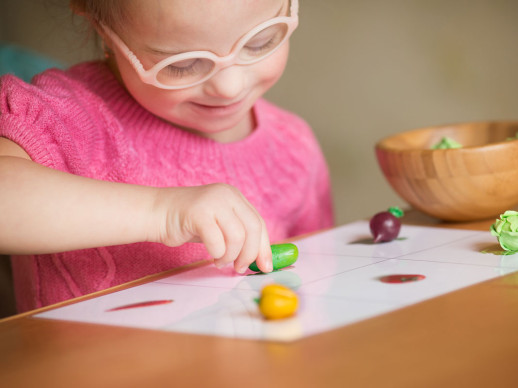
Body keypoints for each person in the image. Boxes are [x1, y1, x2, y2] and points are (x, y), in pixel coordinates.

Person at [0, 0, 334, 313]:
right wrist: (162, 212)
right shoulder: (66, 116)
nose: (229, 87)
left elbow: (322, 292)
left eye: (260, 41)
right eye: (183, 64)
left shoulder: (294, 147)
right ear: (104, 30)